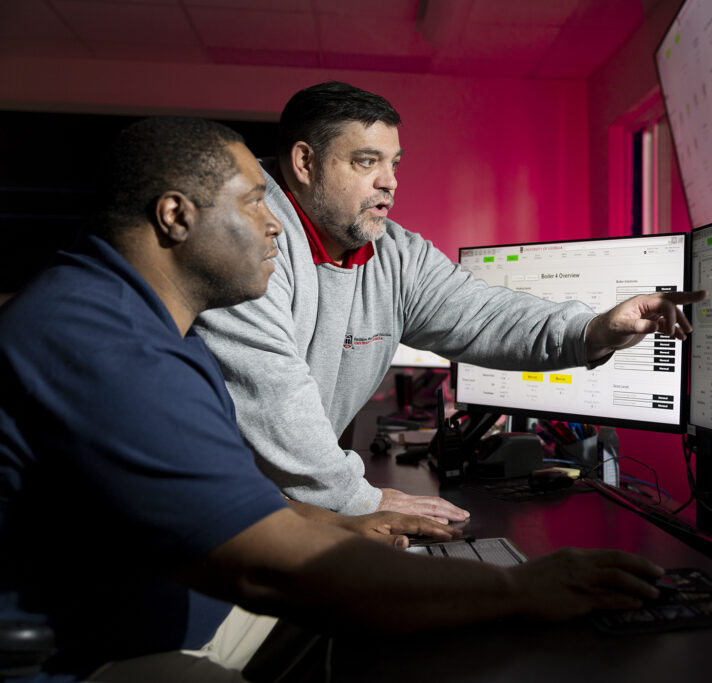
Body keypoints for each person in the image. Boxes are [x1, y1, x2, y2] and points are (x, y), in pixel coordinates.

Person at [0, 117, 665, 681]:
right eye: (256, 202)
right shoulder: (110, 346)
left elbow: (199, 499)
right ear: (176, 216)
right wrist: (524, 585)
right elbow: (270, 569)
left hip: (169, 603)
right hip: (103, 655)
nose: (274, 227)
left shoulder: (125, 316)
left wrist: (332, 525)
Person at [195, 81, 707, 521]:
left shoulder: (394, 254)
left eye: (393, 164)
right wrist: (361, 499)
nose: (389, 182)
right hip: (214, 516)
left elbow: (486, 317)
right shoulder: (247, 242)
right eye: (365, 162)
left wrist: (593, 329)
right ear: (304, 162)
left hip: (287, 511)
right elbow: (275, 400)